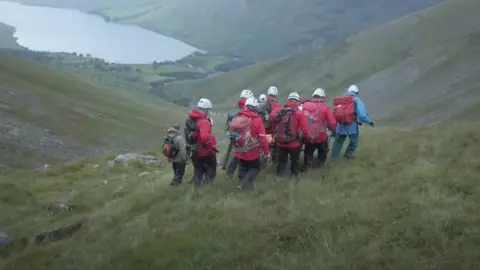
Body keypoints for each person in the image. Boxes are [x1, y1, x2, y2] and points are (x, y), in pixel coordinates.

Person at [229, 97, 270, 190]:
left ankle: (242, 185)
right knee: (255, 168)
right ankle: (243, 185)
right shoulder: (257, 120)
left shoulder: (238, 117)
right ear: (255, 108)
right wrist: (267, 152)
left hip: (239, 149)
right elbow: (263, 138)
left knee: (242, 167)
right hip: (252, 151)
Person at [271, 92, 310, 178]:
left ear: (288, 100)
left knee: (281, 162)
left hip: (280, 142)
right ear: (297, 101)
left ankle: (280, 177)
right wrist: (307, 138)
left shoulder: (280, 111)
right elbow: (305, 128)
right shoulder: (299, 113)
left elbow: (273, 124)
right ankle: (294, 177)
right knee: (295, 161)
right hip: (294, 144)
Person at [331, 85, 374, 161]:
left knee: (338, 142)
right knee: (354, 142)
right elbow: (362, 115)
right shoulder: (356, 100)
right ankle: (348, 154)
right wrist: (370, 122)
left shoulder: (341, 99)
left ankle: (334, 159)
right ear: (357, 92)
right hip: (351, 126)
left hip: (340, 125)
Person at [185, 98, 218, 186]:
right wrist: (212, 144)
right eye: (209, 109)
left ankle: (196, 189)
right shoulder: (204, 121)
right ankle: (208, 188)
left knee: (198, 170)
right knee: (211, 170)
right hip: (205, 151)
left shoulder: (191, 119)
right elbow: (204, 137)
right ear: (206, 109)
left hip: (194, 150)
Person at [302, 88, 336, 170]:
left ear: (313, 96)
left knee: (308, 151)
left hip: (308, 135)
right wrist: (332, 130)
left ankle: (307, 166)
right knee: (323, 151)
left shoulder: (305, 105)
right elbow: (332, 123)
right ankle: (319, 166)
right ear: (322, 97)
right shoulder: (325, 107)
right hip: (321, 135)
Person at [225, 89, 254, 179]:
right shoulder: (248, 109)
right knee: (241, 154)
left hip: (233, 135)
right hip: (243, 136)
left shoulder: (235, 109)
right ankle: (240, 174)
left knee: (236, 153)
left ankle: (229, 171)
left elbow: (228, 124)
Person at [265, 86, 282, 163]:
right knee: (274, 146)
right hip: (272, 130)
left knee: (264, 146)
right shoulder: (276, 105)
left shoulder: (263, 103)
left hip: (262, 129)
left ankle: (263, 162)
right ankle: (273, 162)